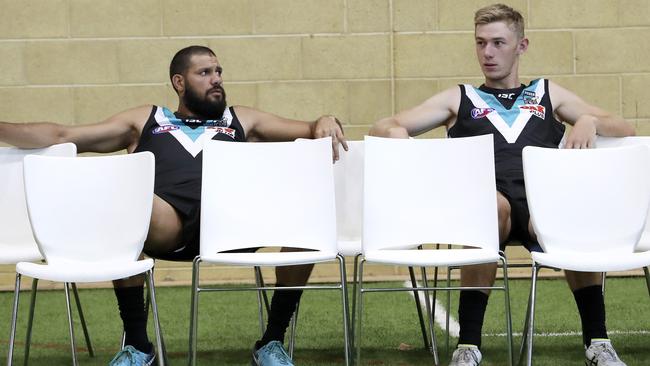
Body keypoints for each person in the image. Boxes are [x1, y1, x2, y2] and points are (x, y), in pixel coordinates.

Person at [0, 45, 347, 366]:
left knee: (308, 215)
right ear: (179, 82)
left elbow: (311, 128)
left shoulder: (240, 119)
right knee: (126, 201)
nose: (217, 79)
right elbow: (63, 135)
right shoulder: (147, 119)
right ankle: (138, 346)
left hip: (233, 224)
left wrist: (325, 119)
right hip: (167, 224)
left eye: (219, 71)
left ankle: (272, 342)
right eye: (206, 73)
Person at [369, 4, 634, 366]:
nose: (487, 53)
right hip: (487, 208)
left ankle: (598, 341)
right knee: (493, 206)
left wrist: (590, 120)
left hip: (543, 205)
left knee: (571, 214)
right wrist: (397, 134)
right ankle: (468, 345)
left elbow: (624, 126)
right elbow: (385, 125)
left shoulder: (546, 93)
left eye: (497, 43)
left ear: (521, 46)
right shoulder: (459, 98)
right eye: (480, 43)